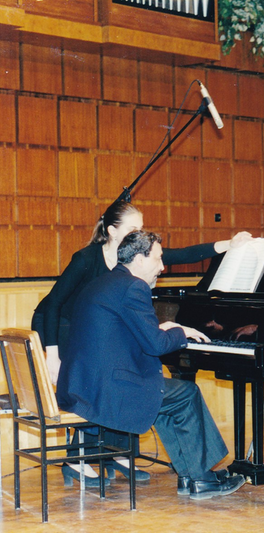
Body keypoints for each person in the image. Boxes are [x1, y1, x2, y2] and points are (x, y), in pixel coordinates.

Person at [31, 200, 251, 484]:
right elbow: (155, 346)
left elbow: (118, 330)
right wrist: (178, 333)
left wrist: (160, 328)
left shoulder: (106, 280)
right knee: (184, 393)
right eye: (158, 260)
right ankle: (199, 478)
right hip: (103, 386)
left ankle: (188, 473)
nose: (163, 267)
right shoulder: (126, 282)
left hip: (87, 379)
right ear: (137, 258)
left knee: (165, 393)